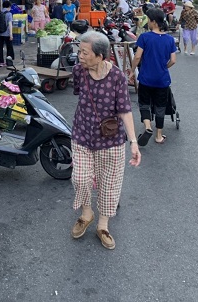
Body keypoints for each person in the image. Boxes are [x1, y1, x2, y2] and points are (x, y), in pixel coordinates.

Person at [71, 31, 140, 250]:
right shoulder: (78, 71)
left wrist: (134, 142)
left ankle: (103, 225)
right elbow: (78, 95)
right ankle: (86, 213)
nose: (80, 56)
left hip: (111, 140)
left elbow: (125, 111)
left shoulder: (117, 77)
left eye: (84, 52)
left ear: (100, 56)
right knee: (81, 178)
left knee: (109, 184)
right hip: (82, 134)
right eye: (79, 51)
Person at [129, 8, 176, 145]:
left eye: (149, 20)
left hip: (146, 78)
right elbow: (173, 60)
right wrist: (163, 67)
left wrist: (132, 71)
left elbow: (137, 56)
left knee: (144, 103)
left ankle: (148, 127)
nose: (147, 22)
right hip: (162, 79)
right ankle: (159, 136)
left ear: (154, 22)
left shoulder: (145, 37)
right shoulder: (169, 39)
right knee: (160, 106)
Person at [0, 0, 14, 67]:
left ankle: (1, 62)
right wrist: (11, 34)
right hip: (7, 33)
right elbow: (10, 24)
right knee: (9, 47)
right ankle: (8, 61)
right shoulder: (9, 14)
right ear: (9, 6)